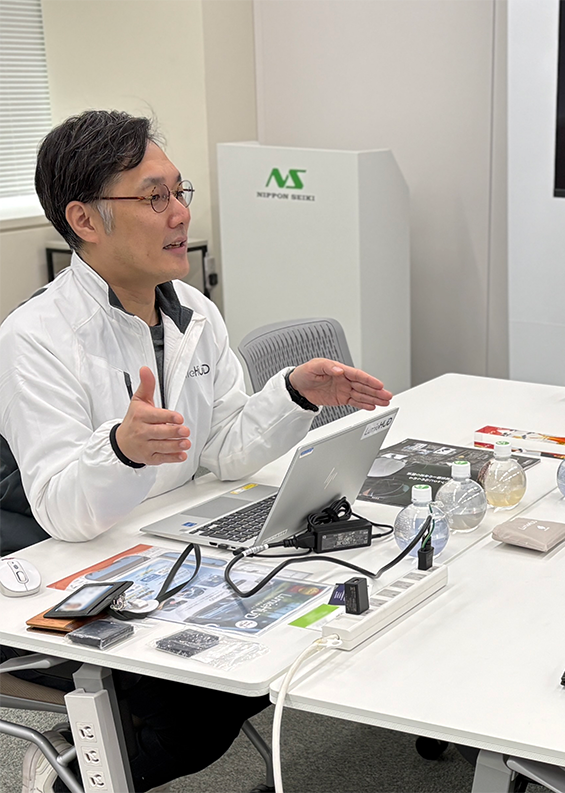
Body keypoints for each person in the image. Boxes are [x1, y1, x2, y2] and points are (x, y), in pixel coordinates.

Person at [0, 110, 393, 793]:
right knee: (201, 703)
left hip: (170, 542)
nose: (180, 213)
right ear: (85, 220)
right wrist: (123, 450)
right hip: (77, 565)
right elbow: (62, 508)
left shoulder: (192, 311)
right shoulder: (35, 337)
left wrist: (292, 395)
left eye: (179, 192)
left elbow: (225, 449)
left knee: (284, 639)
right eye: (154, 197)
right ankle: (70, 769)